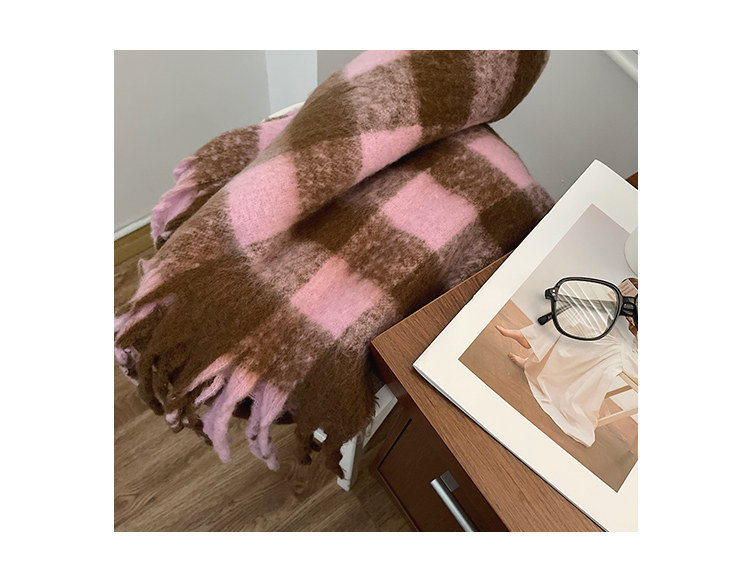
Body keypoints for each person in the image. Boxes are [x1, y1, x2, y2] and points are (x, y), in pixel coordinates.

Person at [495, 278, 637, 447]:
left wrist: (636, 323)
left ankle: (530, 346)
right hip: (625, 341)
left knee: (607, 347)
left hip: (636, 356)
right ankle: (528, 340)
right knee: (581, 314)